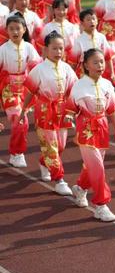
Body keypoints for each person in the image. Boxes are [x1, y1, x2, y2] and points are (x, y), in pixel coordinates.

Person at [67, 48, 115, 222]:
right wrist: (69, 121)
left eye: (102, 61)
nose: (100, 65)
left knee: (91, 166)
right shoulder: (79, 85)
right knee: (98, 168)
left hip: (102, 128)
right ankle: (101, 205)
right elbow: (70, 110)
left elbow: (113, 111)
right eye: (95, 62)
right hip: (86, 129)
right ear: (86, 65)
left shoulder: (107, 84)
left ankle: (80, 188)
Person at [21, 31, 77, 195]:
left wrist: (74, 111)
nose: (58, 52)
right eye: (54, 48)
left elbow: (73, 90)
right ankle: (59, 180)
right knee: (51, 146)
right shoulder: (39, 70)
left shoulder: (67, 68)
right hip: (45, 111)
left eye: (61, 48)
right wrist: (23, 110)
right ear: (45, 50)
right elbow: (30, 91)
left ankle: (44, 162)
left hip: (62, 111)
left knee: (60, 146)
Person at [0, 15, 41, 168]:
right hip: (8, 90)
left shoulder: (29, 47)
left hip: (24, 90)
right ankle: (17, 153)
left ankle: (15, 153)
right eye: (11, 28)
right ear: (7, 31)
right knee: (19, 119)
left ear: (24, 30)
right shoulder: (2, 50)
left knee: (22, 122)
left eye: (18, 28)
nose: (15, 31)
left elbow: (37, 67)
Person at [69, 9, 115, 85]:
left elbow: (108, 57)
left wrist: (112, 72)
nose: (92, 21)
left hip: (101, 72)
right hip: (84, 74)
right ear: (82, 23)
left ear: (97, 21)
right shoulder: (79, 41)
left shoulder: (102, 37)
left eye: (93, 19)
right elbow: (73, 63)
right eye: (88, 20)